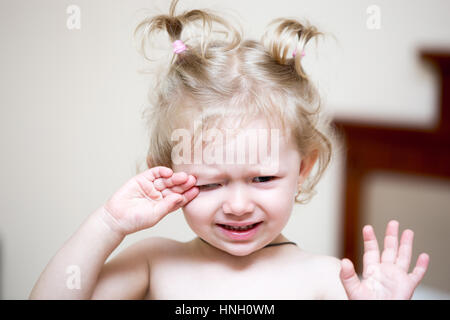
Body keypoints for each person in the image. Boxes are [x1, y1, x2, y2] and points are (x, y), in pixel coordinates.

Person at [29, 0, 429, 299]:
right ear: (165, 174)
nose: (237, 205)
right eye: (209, 184)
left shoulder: (327, 279)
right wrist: (108, 224)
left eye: (263, 178)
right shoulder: (154, 263)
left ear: (304, 167)